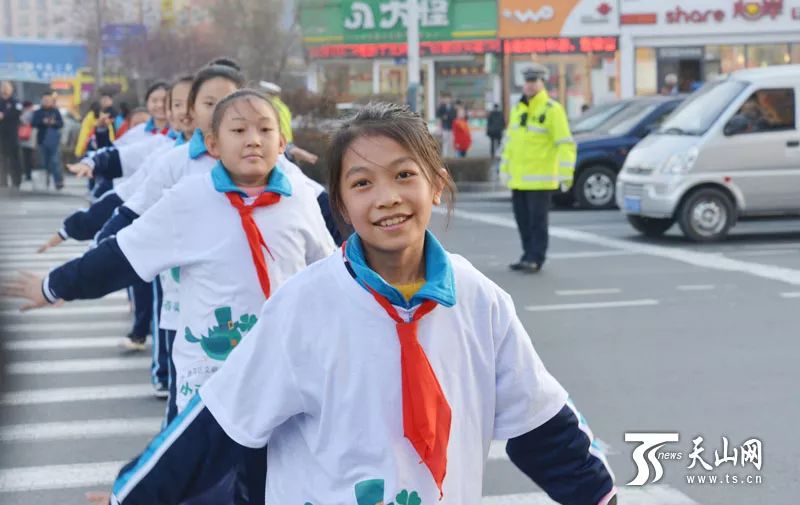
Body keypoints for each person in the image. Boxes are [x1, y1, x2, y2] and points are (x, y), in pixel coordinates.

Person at [42, 102, 617, 505]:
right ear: (340, 204)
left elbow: (544, 428)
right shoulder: (305, 307)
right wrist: (136, 494)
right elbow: (219, 425)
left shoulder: (480, 301)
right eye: (362, 183)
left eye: (404, 175)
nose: (387, 197)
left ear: (436, 184)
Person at [3, 89, 336, 505]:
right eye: (239, 130)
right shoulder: (190, 199)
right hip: (211, 376)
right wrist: (55, 285)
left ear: (281, 143)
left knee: (275, 479)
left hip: (284, 372)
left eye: (265, 130)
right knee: (198, 480)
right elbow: (123, 253)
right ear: (212, 144)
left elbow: (333, 275)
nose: (253, 139)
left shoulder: (303, 200)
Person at [500, 64, 576, 273]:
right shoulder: (518, 109)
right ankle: (527, 255)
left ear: (542, 83)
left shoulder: (552, 110)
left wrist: (565, 175)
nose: (530, 86)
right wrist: (503, 169)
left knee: (537, 222)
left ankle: (536, 257)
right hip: (518, 179)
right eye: (527, 81)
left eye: (534, 81)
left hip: (540, 180)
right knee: (522, 221)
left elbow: (565, 143)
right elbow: (509, 143)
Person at [32, 92, 65, 190]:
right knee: (43, 162)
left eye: (48, 100)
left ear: (52, 101)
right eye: (45, 100)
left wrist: (53, 122)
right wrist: (43, 122)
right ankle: (44, 182)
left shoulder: (56, 111)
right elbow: (33, 123)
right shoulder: (38, 112)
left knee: (55, 162)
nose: (46, 102)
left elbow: (61, 124)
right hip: (42, 140)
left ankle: (58, 181)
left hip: (54, 141)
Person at [0, 80, 22, 188]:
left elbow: (17, 113)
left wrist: (4, 115)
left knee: (14, 158)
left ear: (11, 89)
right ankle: (2, 181)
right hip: (1, 135)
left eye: (7, 87)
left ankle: (16, 181)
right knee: (2, 158)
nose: (4, 89)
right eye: (3, 87)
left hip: (12, 134)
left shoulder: (15, 102)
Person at [18, 100, 36, 182]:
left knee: (26, 158)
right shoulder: (32, 113)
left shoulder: (23, 114)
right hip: (30, 140)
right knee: (29, 158)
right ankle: (28, 174)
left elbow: (21, 121)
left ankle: (27, 174)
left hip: (24, 139)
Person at [436, 93, 457, 157]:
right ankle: (445, 155)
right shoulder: (442, 106)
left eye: (448, 98)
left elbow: (454, 116)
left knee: (451, 141)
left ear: (450, 99)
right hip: (444, 126)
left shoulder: (453, 107)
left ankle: (452, 155)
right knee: (445, 141)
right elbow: (438, 115)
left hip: (451, 126)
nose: (447, 100)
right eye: (446, 99)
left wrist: (447, 117)